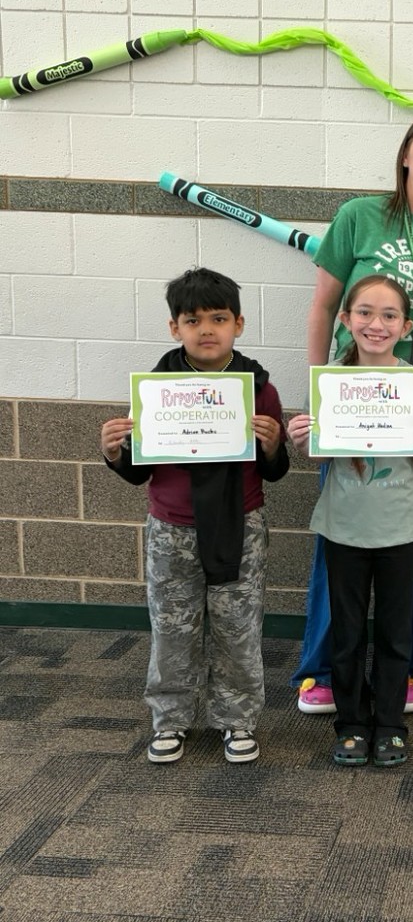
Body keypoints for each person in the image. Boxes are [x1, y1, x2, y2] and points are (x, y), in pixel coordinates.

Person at [294, 110, 413, 716]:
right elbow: (324, 306)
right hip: (355, 403)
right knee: (342, 536)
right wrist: (318, 387)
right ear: (406, 154)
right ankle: (323, 669)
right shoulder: (360, 216)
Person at [100, 267, 289, 765]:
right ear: (174, 328)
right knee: (172, 627)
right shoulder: (155, 389)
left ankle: (237, 720)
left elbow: (275, 472)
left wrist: (272, 446)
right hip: (171, 529)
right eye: (193, 319)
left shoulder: (260, 388)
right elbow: (139, 472)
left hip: (240, 526)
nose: (207, 329)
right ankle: (171, 719)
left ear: (239, 324)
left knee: (237, 626)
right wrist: (115, 452)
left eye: (219, 318)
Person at [287, 276, 413, 768]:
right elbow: (321, 454)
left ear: (406, 326)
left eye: (389, 316)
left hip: (400, 525)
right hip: (344, 526)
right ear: (345, 320)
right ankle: (353, 723)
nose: (376, 324)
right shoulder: (330, 379)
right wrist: (302, 436)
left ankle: (391, 724)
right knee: (349, 632)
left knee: (397, 634)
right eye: (365, 313)